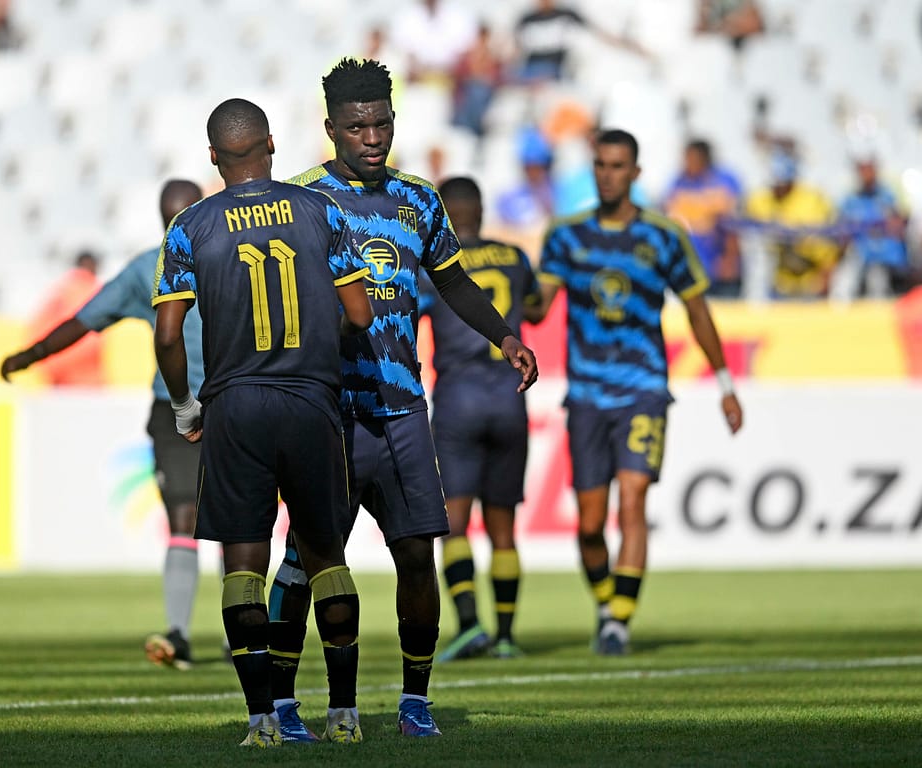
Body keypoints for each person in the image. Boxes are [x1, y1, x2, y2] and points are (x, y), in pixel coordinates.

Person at [268, 58, 538, 740]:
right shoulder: (301, 201)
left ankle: (415, 701)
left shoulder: (418, 199)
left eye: (381, 123)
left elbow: (453, 283)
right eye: (357, 126)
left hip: (403, 410)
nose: (371, 136)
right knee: (306, 558)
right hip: (329, 413)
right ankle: (277, 699)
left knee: (417, 555)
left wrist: (505, 337)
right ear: (330, 128)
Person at [152, 98, 374, 748]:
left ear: (214, 157)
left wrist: (184, 404)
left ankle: (262, 721)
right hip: (309, 401)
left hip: (235, 403)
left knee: (242, 565)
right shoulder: (320, 208)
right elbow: (359, 315)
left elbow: (169, 333)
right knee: (326, 557)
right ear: (272, 145)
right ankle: (344, 716)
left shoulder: (190, 224)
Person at [529, 128, 743, 656]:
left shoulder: (664, 236)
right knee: (590, 525)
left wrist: (724, 383)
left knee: (633, 501)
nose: (608, 174)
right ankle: (608, 606)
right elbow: (538, 308)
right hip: (585, 395)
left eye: (618, 165)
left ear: (637, 173)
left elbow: (696, 308)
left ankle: (619, 622)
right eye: (600, 165)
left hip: (644, 389)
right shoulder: (566, 236)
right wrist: (504, 288)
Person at [0, 180, 206, 669]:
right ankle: (201, 634)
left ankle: (208, 631)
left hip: (205, 404)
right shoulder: (186, 264)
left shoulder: (151, 267)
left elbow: (85, 320)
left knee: (210, 519)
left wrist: (31, 354)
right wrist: (32, 354)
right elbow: (85, 320)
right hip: (201, 404)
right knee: (207, 517)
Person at [420, 176, 541, 663]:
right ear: (483, 208)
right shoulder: (514, 257)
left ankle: (470, 625)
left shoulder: (434, 266)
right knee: (504, 527)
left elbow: (413, 315)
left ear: (444, 216)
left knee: (454, 523)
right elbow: (534, 305)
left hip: (458, 400)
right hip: (510, 397)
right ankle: (508, 635)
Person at [744, 150, 839, 299]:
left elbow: (828, 247)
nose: (779, 189)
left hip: (810, 281)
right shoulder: (760, 200)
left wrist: (826, 276)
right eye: (776, 184)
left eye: (784, 184)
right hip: (776, 283)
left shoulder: (811, 200)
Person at [663, 139, 744, 298]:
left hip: (718, 269)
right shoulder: (678, 182)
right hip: (687, 269)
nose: (685, 163)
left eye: (690, 158)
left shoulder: (723, 183)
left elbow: (731, 226)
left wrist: (729, 260)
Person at [23, 250, 104, 386]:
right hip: (82, 376)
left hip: (59, 371)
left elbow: (36, 326)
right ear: (90, 264)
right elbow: (88, 338)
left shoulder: (61, 288)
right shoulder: (90, 289)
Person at [513, 0, 646, 83]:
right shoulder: (526, 19)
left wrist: (630, 46)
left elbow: (599, 33)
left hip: (557, 74)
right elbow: (514, 48)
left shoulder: (566, 15)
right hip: (530, 74)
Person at [838, 154, 912, 297]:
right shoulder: (851, 199)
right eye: (861, 169)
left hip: (885, 258)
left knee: (877, 281)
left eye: (868, 169)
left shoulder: (890, 194)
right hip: (860, 255)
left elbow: (901, 223)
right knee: (845, 279)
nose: (865, 174)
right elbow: (843, 228)